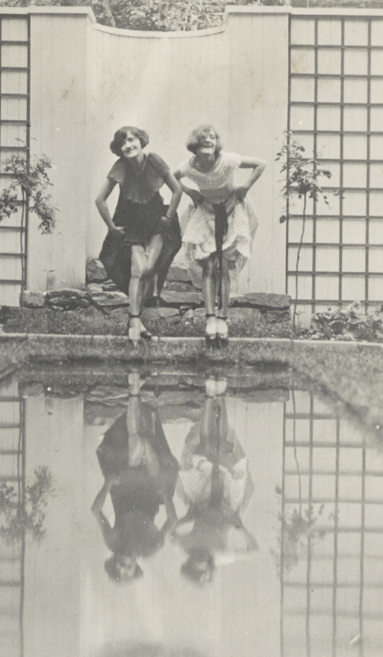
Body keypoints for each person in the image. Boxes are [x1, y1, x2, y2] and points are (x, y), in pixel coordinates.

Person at [174, 126, 266, 347]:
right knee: (207, 266)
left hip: (231, 211)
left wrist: (245, 186)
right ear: (195, 143)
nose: (208, 140)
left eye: (212, 137)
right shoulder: (190, 165)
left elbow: (260, 164)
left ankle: (224, 317)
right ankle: (210, 318)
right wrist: (188, 191)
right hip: (206, 213)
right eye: (204, 138)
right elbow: (170, 176)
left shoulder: (226, 160)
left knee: (224, 266)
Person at [96, 127, 182, 344]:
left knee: (149, 270)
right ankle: (135, 321)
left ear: (141, 141)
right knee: (139, 270)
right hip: (131, 223)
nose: (128, 145)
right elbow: (100, 200)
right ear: (119, 149)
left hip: (155, 222)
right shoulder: (121, 167)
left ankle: (137, 321)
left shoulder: (154, 161)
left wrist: (169, 217)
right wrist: (111, 228)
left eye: (132, 140)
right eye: (123, 143)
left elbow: (177, 190)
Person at [91, 372, 179, 583]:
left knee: (136, 440)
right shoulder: (150, 548)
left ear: (113, 561)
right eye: (126, 570)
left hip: (125, 490)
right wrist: (166, 497)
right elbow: (172, 521)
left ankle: (134, 390)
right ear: (135, 567)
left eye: (117, 567)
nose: (122, 566)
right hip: (151, 492)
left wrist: (108, 483)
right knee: (146, 444)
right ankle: (138, 396)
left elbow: (95, 510)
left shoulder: (113, 543)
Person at [174, 377, 257, 585]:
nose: (201, 556)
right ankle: (221, 395)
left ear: (190, 560)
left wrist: (186, 519)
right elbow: (253, 550)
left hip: (202, 498)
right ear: (210, 565)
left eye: (196, 559)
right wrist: (240, 527)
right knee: (223, 449)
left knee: (204, 447)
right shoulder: (221, 557)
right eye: (204, 560)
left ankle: (210, 396)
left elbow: (171, 536)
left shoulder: (187, 547)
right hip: (227, 504)